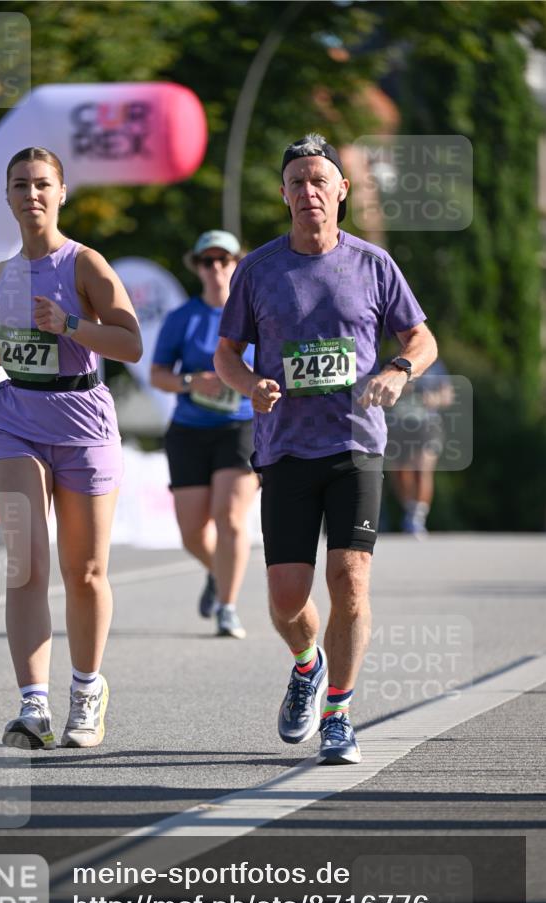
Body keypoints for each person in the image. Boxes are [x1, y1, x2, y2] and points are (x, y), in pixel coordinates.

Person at [215, 134, 437, 764]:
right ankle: (306, 664)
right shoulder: (258, 270)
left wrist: (397, 370)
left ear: (341, 190)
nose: (309, 192)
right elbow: (226, 354)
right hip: (285, 448)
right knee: (287, 599)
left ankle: (339, 711)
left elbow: (422, 339)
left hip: (355, 445)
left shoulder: (373, 265)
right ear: (283, 195)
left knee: (350, 579)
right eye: (297, 182)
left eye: (320, 181)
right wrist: (249, 385)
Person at [0, 147, 142, 750]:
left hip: (82, 418)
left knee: (83, 572)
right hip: (15, 420)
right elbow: (6, 351)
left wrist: (70, 325)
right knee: (27, 562)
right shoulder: (2, 275)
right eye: (19, 186)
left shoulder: (85, 264)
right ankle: (32, 707)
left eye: (41, 185)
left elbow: (131, 343)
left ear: (62, 194)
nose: (31, 195)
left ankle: (86, 692)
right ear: (6, 198)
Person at [150, 231, 258, 639]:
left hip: (242, 425)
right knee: (193, 534)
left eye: (224, 259)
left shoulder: (254, 312)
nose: (216, 268)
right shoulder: (183, 318)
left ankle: (227, 608)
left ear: (237, 263)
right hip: (190, 430)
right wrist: (193, 381)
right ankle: (218, 572)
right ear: (196, 266)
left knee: (230, 517)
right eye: (207, 261)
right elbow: (158, 374)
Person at [387, 358, 454, 535]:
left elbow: (447, 396)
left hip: (427, 424)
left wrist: (434, 398)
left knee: (422, 468)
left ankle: (418, 516)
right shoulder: (392, 362)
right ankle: (410, 509)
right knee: (399, 473)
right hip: (400, 424)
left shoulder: (435, 365)